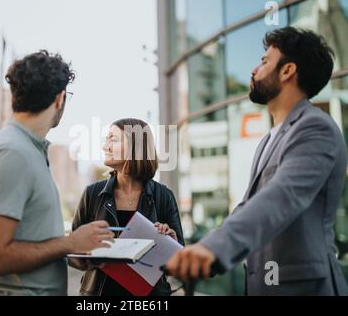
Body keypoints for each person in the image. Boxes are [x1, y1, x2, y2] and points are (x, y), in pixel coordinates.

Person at [166, 27, 348, 296]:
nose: (254, 69)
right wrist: (200, 251)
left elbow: (282, 196)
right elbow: (248, 207)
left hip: (303, 287)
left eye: (264, 61)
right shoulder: (268, 139)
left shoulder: (315, 128)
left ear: (287, 71)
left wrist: (216, 248)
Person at [0, 50, 114, 296]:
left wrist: (72, 251)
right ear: (59, 99)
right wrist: (70, 242)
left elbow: (31, 240)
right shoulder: (12, 153)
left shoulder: (26, 150)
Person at [69, 118, 184, 296]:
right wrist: (92, 253)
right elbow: (73, 255)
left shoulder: (163, 196)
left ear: (135, 146)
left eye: (113, 140)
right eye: (106, 139)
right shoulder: (92, 194)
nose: (105, 146)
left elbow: (179, 265)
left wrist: (171, 242)